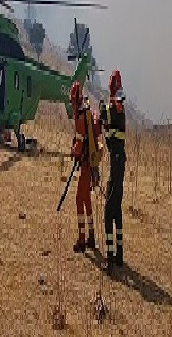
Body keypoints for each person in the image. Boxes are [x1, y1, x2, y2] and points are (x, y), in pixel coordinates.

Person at [69, 81, 103, 253]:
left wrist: (73, 152)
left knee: (78, 199)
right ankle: (91, 236)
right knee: (86, 199)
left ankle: (82, 240)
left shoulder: (81, 118)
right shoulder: (87, 112)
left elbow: (79, 145)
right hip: (90, 162)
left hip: (85, 163)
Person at [100, 70, 127, 270]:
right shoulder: (119, 108)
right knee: (116, 209)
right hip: (120, 162)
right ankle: (119, 255)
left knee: (109, 212)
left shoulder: (112, 108)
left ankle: (110, 257)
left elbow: (106, 123)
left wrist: (101, 113)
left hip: (116, 163)